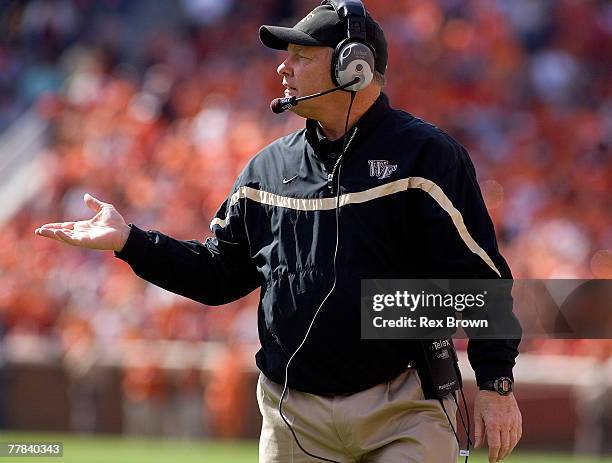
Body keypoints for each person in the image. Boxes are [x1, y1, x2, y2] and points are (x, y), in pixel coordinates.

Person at [35, 1, 522, 461]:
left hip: (406, 405)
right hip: (295, 416)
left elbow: (481, 278)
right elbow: (217, 275)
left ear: (353, 66)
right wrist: (129, 241)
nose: (282, 69)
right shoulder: (266, 170)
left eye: (300, 56)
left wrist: (496, 384)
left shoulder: (427, 157)